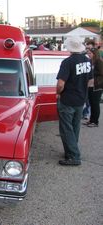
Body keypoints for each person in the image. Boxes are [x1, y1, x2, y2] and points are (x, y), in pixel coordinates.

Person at [56, 36, 93, 166]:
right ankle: (71, 150)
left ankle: (73, 156)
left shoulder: (68, 62)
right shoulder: (87, 61)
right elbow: (90, 81)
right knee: (75, 127)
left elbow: (60, 84)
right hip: (80, 99)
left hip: (67, 99)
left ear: (70, 48)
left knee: (66, 128)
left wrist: (58, 93)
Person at [84, 46, 103, 127]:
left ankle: (95, 122)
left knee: (95, 103)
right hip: (91, 85)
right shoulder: (90, 61)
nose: (88, 55)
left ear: (94, 54)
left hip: (97, 85)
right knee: (91, 103)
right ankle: (91, 120)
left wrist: (91, 74)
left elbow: (101, 73)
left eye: (90, 53)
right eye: (88, 53)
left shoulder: (99, 61)